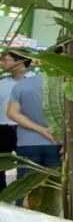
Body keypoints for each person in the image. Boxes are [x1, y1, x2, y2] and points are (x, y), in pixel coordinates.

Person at [7, 67, 61, 198]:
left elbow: (12, 113)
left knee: (25, 187)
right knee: (52, 191)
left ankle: (23, 216)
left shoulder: (23, 85)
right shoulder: (65, 85)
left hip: (27, 142)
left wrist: (41, 130)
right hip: (58, 143)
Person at [0, 50, 34, 193]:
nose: (2, 63)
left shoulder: (36, 81)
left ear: (19, 61)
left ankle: (25, 198)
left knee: (27, 165)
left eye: (5, 60)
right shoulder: (2, 82)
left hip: (26, 129)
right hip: (2, 129)